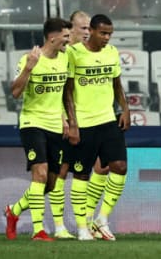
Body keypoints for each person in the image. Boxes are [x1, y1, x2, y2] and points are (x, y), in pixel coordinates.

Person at [4, 18, 73, 242]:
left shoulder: (65, 59)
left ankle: (13, 211)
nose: (68, 40)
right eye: (65, 36)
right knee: (40, 173)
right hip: (33, 123)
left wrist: (65, 119)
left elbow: (63, 93)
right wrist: (28, 68)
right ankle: (38, 231)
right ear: (52, 37)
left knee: (50, 184)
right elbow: (14, 93)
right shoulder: (29, 59)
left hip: (55, 125)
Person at [63, 14, 130, 241]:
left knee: (120, 166)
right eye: (103, 33)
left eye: (110, 33)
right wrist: (72, 123)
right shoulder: (74, 54)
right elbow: (68, 91)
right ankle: (82, 227)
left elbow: (117, 84)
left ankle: (102, 218)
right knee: (81, 174)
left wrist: (126, 109)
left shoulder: (111, 53)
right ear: (90, 31)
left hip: (108, 120)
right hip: (84, 123)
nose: (107, 38)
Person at [45, 10, 92, 240]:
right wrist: (65, 119)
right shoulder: (62, 54)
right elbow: (61, 91)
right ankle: (59, 226)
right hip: (63, 122)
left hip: (86, 123)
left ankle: (90, 222)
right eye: (83, 28)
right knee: (59, 173)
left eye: (89, 28)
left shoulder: (84, 53)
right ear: (70, 29)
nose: (87, 32)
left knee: (91, 171)